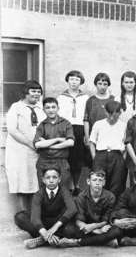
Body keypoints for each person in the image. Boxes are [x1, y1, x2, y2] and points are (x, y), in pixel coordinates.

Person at [5, 80, 46, 211]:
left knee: (35, 182)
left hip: (36, 152)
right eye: (33, 91)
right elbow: (12, 130)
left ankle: (35, 216)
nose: (36, 94)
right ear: (26, 93)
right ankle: (24, 214)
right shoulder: (16, 107)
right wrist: (30, 143)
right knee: (21, 181)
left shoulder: (41, 109)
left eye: (39, 92)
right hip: (19, 151)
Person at [14, 166, 78, 249]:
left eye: (54, 177)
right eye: (48, 177)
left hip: (59, 224)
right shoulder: (39, 194)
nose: (51, 180)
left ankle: (40, 240)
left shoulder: (64, 191)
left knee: (71, 230)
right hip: (43, 223)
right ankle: (52, 238)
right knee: (20, 217)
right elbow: (35, 218)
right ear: (43, 180)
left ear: (59, 179)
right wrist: (44, 232)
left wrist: (55, 227)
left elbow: (72, 209)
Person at [54, 170, 120, 248]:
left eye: (100, 180)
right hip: (86, 227)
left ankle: (77, 242)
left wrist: (95, 227)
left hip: (102, 226)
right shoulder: (81, 196)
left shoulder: (110, 197)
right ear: (88, 181)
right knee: (68, 230)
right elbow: (79, 220)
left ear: (104, 183)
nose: (97, 183)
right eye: (94, 180)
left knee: (117, 231)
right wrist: (95, 231)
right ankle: (104, 241)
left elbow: (106, 219)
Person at [57, 70, 89, 195]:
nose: (74, 82)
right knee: (67, 158)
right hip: (66, 129)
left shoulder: (85, 98)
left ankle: (76, 185)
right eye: (71, 79)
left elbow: (87, 116)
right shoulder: (61, 98)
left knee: (78, 159)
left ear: (80, 82)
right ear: (67, 81)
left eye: (77, 79)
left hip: (80, 129)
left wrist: (87, 134)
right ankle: (67, 186)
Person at [34, 97, 75, 190]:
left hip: (61, 161)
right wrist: (58, 139)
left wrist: (48, 144)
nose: (51, 110)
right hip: (44, 161)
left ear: (58, 108)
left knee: (62, 191)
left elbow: (70, 142)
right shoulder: (42, 125)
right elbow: (37, 144)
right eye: (47, 108)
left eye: (53, 107)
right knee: (44, 191)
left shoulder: (66, 123)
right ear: (43, 109)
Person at [89, 101, 127, 197]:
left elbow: (126, 144)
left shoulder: (124, 125)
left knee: (117, 183)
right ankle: (100, 206)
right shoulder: (98, 124)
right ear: (105, 112)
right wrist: (94, 156)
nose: (112, 117)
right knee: (99, 182)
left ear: (119, 113)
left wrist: (123, 159)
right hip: (101, 155)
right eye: (109, 114)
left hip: (117, 155)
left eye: (115, 114)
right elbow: (92, 142)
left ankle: (114, 208)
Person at [83, 72, 115, 152]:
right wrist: (87, 137)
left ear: (108, 85)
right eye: (99, 84)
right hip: (94, 136)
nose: (102, 87)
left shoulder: (113, 99)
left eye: (105, 84)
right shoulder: (91, 100)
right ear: (96, 85)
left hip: (110, 136)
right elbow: (86, 120)